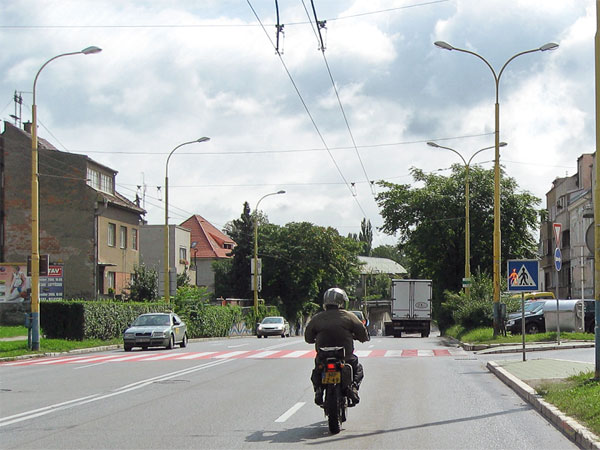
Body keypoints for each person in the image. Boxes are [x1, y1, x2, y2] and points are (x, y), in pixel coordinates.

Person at [305, 287, 369, 406]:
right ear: (342, 301)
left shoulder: (317, 318)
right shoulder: (349, 316)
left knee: (317, 369)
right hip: (345, 356)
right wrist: (361, 337)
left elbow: (308, 337)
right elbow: (362, 332)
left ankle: (318, 390)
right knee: (357, 367)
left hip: (323, 356)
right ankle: (353, 388)